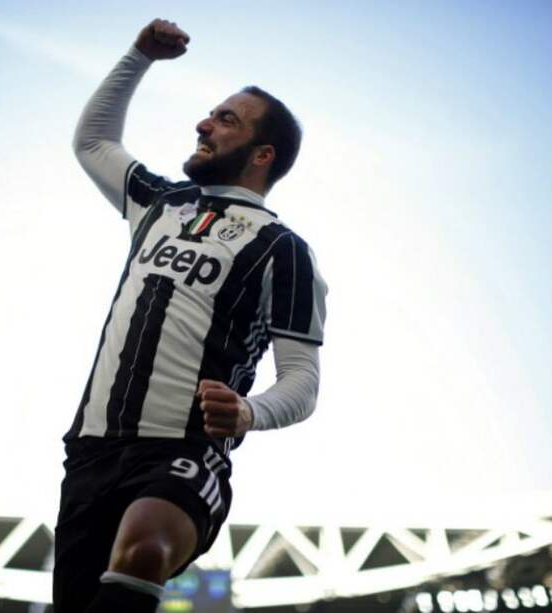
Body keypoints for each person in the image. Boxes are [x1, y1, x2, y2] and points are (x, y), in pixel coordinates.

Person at [54, 18, 327, 613]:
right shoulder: (160, 204)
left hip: (182, 451)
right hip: (91, 451)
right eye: (209, 114)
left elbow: (303, 381)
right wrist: (139, 56)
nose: (204, 124)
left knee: (144, 550)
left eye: (227, 119)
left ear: (262, 154)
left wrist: (249, 412)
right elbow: (93, 143)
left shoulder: (282, 250)